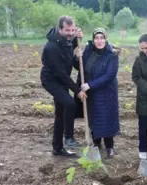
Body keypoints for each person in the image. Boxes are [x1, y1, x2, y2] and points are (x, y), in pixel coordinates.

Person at [40, 15, 87, 157]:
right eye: (67, 30)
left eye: (73, 30)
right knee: (70, 104)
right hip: (51, 80)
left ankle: (57, 148)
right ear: (59, 29)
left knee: (60, 113)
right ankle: (67, 136)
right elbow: (61, 73)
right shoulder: (51, 47)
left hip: (61, 80)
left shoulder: (65, 40)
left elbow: (68, 46)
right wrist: (77, 90)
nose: (70, 33)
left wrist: (76, 40)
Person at [75, 28, 120, 158]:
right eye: (96, 38)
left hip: (106, 93)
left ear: (106, 39)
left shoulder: (112, 54)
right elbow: (80, 67)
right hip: (91, 93)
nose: (99, 41)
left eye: (102, 38)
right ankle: (95, 144)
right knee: (93, 118)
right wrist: (77, 58)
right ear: (93, 39)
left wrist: (90, 84)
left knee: (107, 119)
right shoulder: (88, 52)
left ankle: (110, 147)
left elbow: (110, 75)